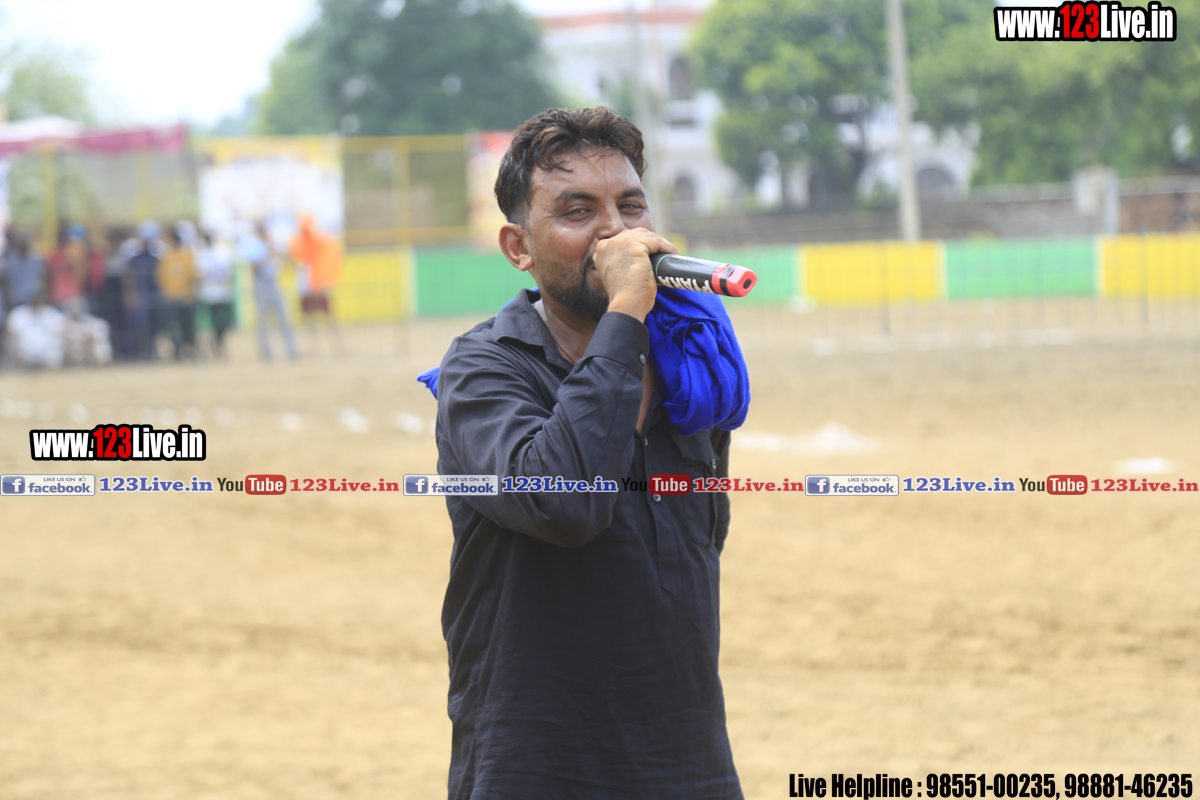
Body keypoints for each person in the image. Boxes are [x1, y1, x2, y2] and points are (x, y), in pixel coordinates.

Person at [432, 107, 744, 798]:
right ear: (519, 246)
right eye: (578, 212)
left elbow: (699, 547)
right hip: (538, 763)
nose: (615, 231)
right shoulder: (482, 369)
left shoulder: (688, 367)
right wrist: (626, 314)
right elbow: (563, 503)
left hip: (688, 760)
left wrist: (639, 329)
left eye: (630, 206)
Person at [238, 222, 298, 361]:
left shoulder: (273, 246)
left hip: (274, 284)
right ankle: (266, 352)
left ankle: (291, 349)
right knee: (262, 321)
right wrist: (268, 254)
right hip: (261, 285)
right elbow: (254, 266)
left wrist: (275, 253)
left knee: (284, 319)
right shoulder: (254, 247)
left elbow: (288, 261)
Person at [289, 213, 344, 355]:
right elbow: (295, 260)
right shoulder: (298, 242)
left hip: (320, 284)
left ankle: (338, 347)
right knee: (310, 318)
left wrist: (323, 281)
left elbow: (332, 257)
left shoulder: (322, 241)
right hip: (305, 285)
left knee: (328, 316)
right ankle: (314, 348)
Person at [158, 225, 199, 361]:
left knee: (188, 326)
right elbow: (161, 277)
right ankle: (176, 350)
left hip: (186, 297)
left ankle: (190, 350)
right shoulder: (166, 256)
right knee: (173, 327)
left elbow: (193, 274)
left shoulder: (187, 255)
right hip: (171, 298)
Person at [195, 230, 236, 359]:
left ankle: (218, 340)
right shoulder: (200, 255)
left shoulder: (221, 253)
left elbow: (228, 273)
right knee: (212, 322)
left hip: (223, 294)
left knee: (226, 320)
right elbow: (199, 274)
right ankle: (215, 343)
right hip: (208, 295)